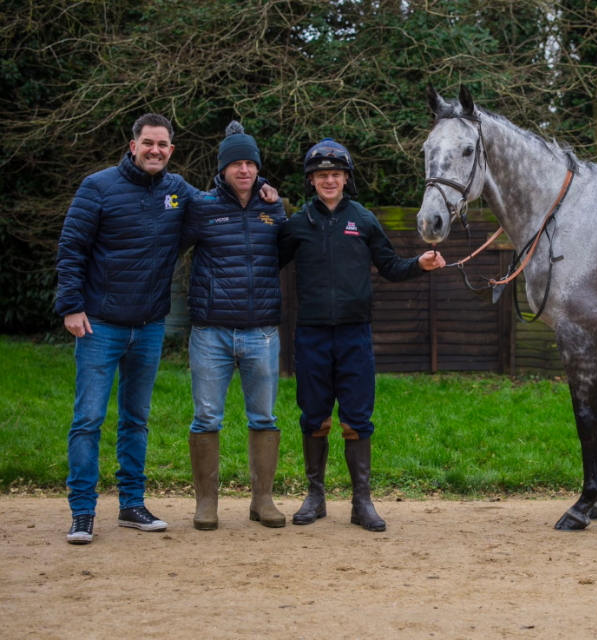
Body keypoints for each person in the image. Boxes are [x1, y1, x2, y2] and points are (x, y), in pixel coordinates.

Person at [56, 114, 278, 545]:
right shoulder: (97, 187)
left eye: (163, 144)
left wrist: (265, 187)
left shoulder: (179, 192)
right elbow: (71, 248)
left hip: (149, 325)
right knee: (88, 419)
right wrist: (71, 307)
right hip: (99, 324)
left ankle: (131, 506)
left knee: (136, 420)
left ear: (171, 150)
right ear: (133, 144)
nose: (155, 150)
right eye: (148, 143)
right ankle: (82, 512)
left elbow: (227, 195)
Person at [279, 138, 445, 531]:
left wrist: (419, 263)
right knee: (314, 416)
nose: (329, 180)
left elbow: (389, 266)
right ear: (311, 180)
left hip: (355, 335)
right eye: (322, 175)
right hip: (312, 335)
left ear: (346, 178)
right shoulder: (298, 224)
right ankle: (315, 496)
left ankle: (362, 502)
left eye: (336, 174)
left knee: (357, 419)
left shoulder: (364, 219)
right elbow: (267, 262)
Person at [179, 122, 288, 530]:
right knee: (207, 417)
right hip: (211, 333)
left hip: (262, 332)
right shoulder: (203, 207)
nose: (244, 170)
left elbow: (287, 251)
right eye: (236, 163)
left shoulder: (273, 207)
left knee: (264, 417)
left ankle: (263, 501)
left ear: (257, 168)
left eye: (250, 163)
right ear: (223, 169)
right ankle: (206, 503)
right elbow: (170, 248)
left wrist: (277, 205)